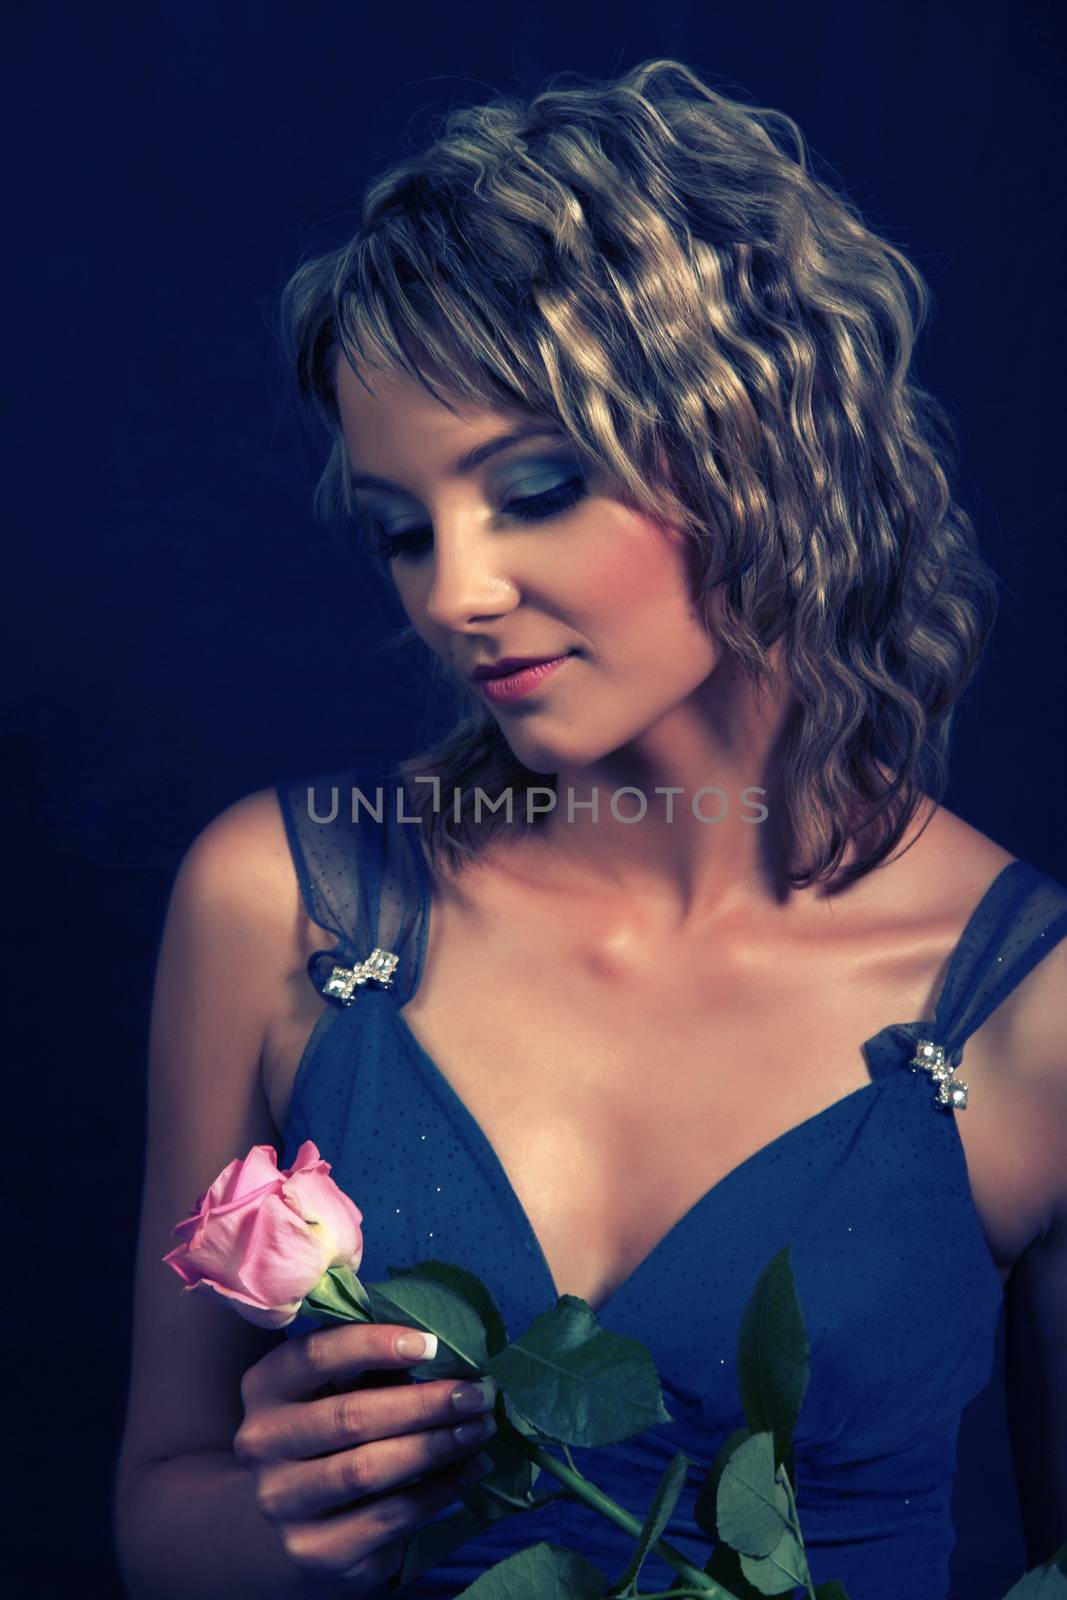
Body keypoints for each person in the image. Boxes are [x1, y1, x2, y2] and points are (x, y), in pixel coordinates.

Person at [112, 57, 1067, 1600]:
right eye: (402, 530)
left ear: (760, 442)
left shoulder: (1036, 1007)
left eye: (535, 486)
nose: (454, 593)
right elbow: (158, 1516)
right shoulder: (276, 901)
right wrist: (288, 1518)